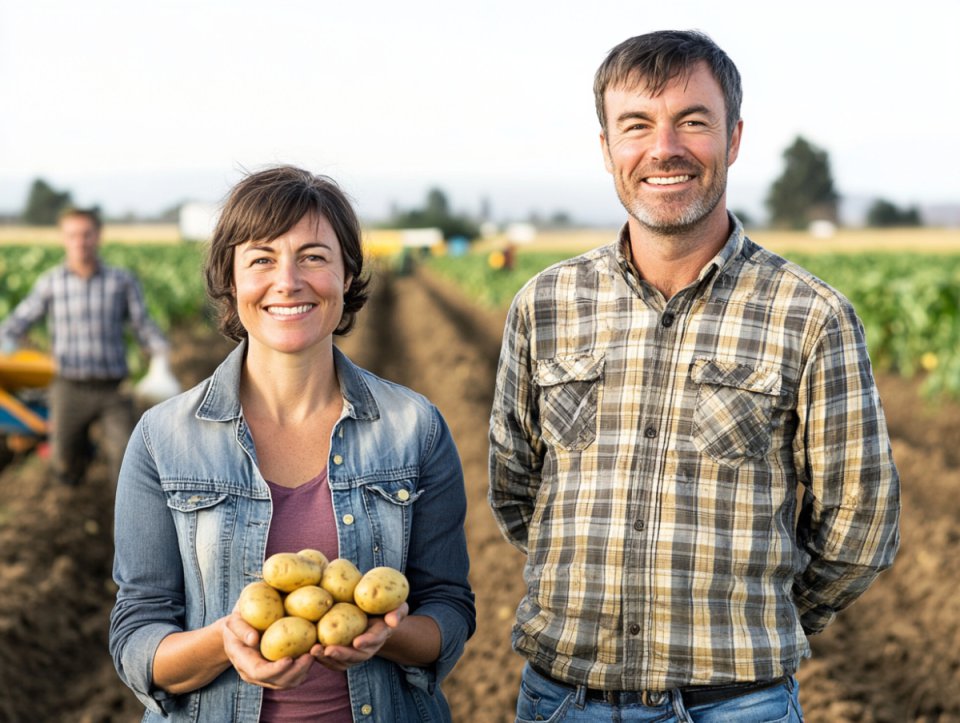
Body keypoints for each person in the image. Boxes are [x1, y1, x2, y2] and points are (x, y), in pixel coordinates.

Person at [488, 30, 900, 722]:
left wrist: (757, 619)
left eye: (693, 121)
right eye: (637, 126)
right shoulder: (545, 304)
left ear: (733, 139)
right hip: (563, 701)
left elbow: (860, 523)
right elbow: (516, 489)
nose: (664, 148)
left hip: (737, 706)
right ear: (607, 148)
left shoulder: (811, 316)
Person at [109, 165, 475, 722]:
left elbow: (448, 609)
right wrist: (224, 643)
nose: (288, 281)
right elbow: (136, 635)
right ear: (231, 280)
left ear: (347, 275)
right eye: (261, 259)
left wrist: (384, 635)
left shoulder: (415, 429)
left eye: (313, 257)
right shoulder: (164, 439)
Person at [0, 207, 170, 487]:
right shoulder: (51, 282)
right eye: (72, 235)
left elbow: (142, 324)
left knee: (127, 458)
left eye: (86, 234)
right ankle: (74, 486)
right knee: (63, 460)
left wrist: (159, 351)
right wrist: (5, 337)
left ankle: (121, 508)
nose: (80, 242)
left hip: (113, 389)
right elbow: (20, 320)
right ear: (63, 238)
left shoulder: (121, 281)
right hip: (69, 386)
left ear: (98, 236)